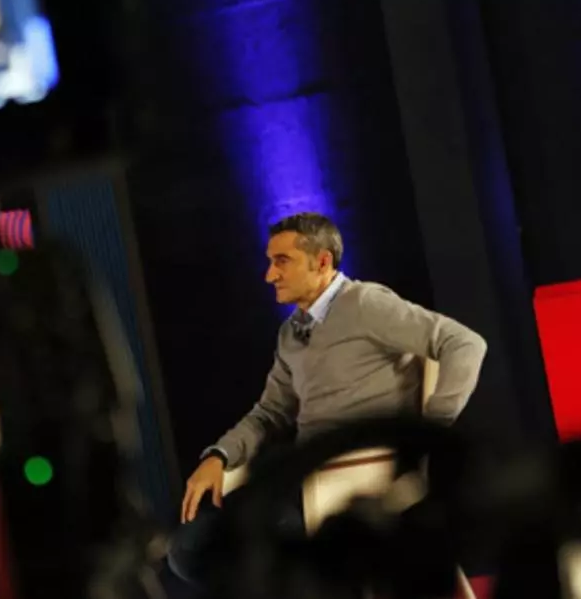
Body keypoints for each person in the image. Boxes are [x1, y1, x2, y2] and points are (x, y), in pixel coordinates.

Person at [167, 213, 487, 588]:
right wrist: (219, 456)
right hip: (308, 472)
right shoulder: (290, 333)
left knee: (250, 550)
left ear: (321, 262)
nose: (269, 275)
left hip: (356, 478)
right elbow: (269, 413)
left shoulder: (366, 304)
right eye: (270, 262)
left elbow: (464, 344)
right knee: (189, 550)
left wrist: (429, 432)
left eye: (281, 261)